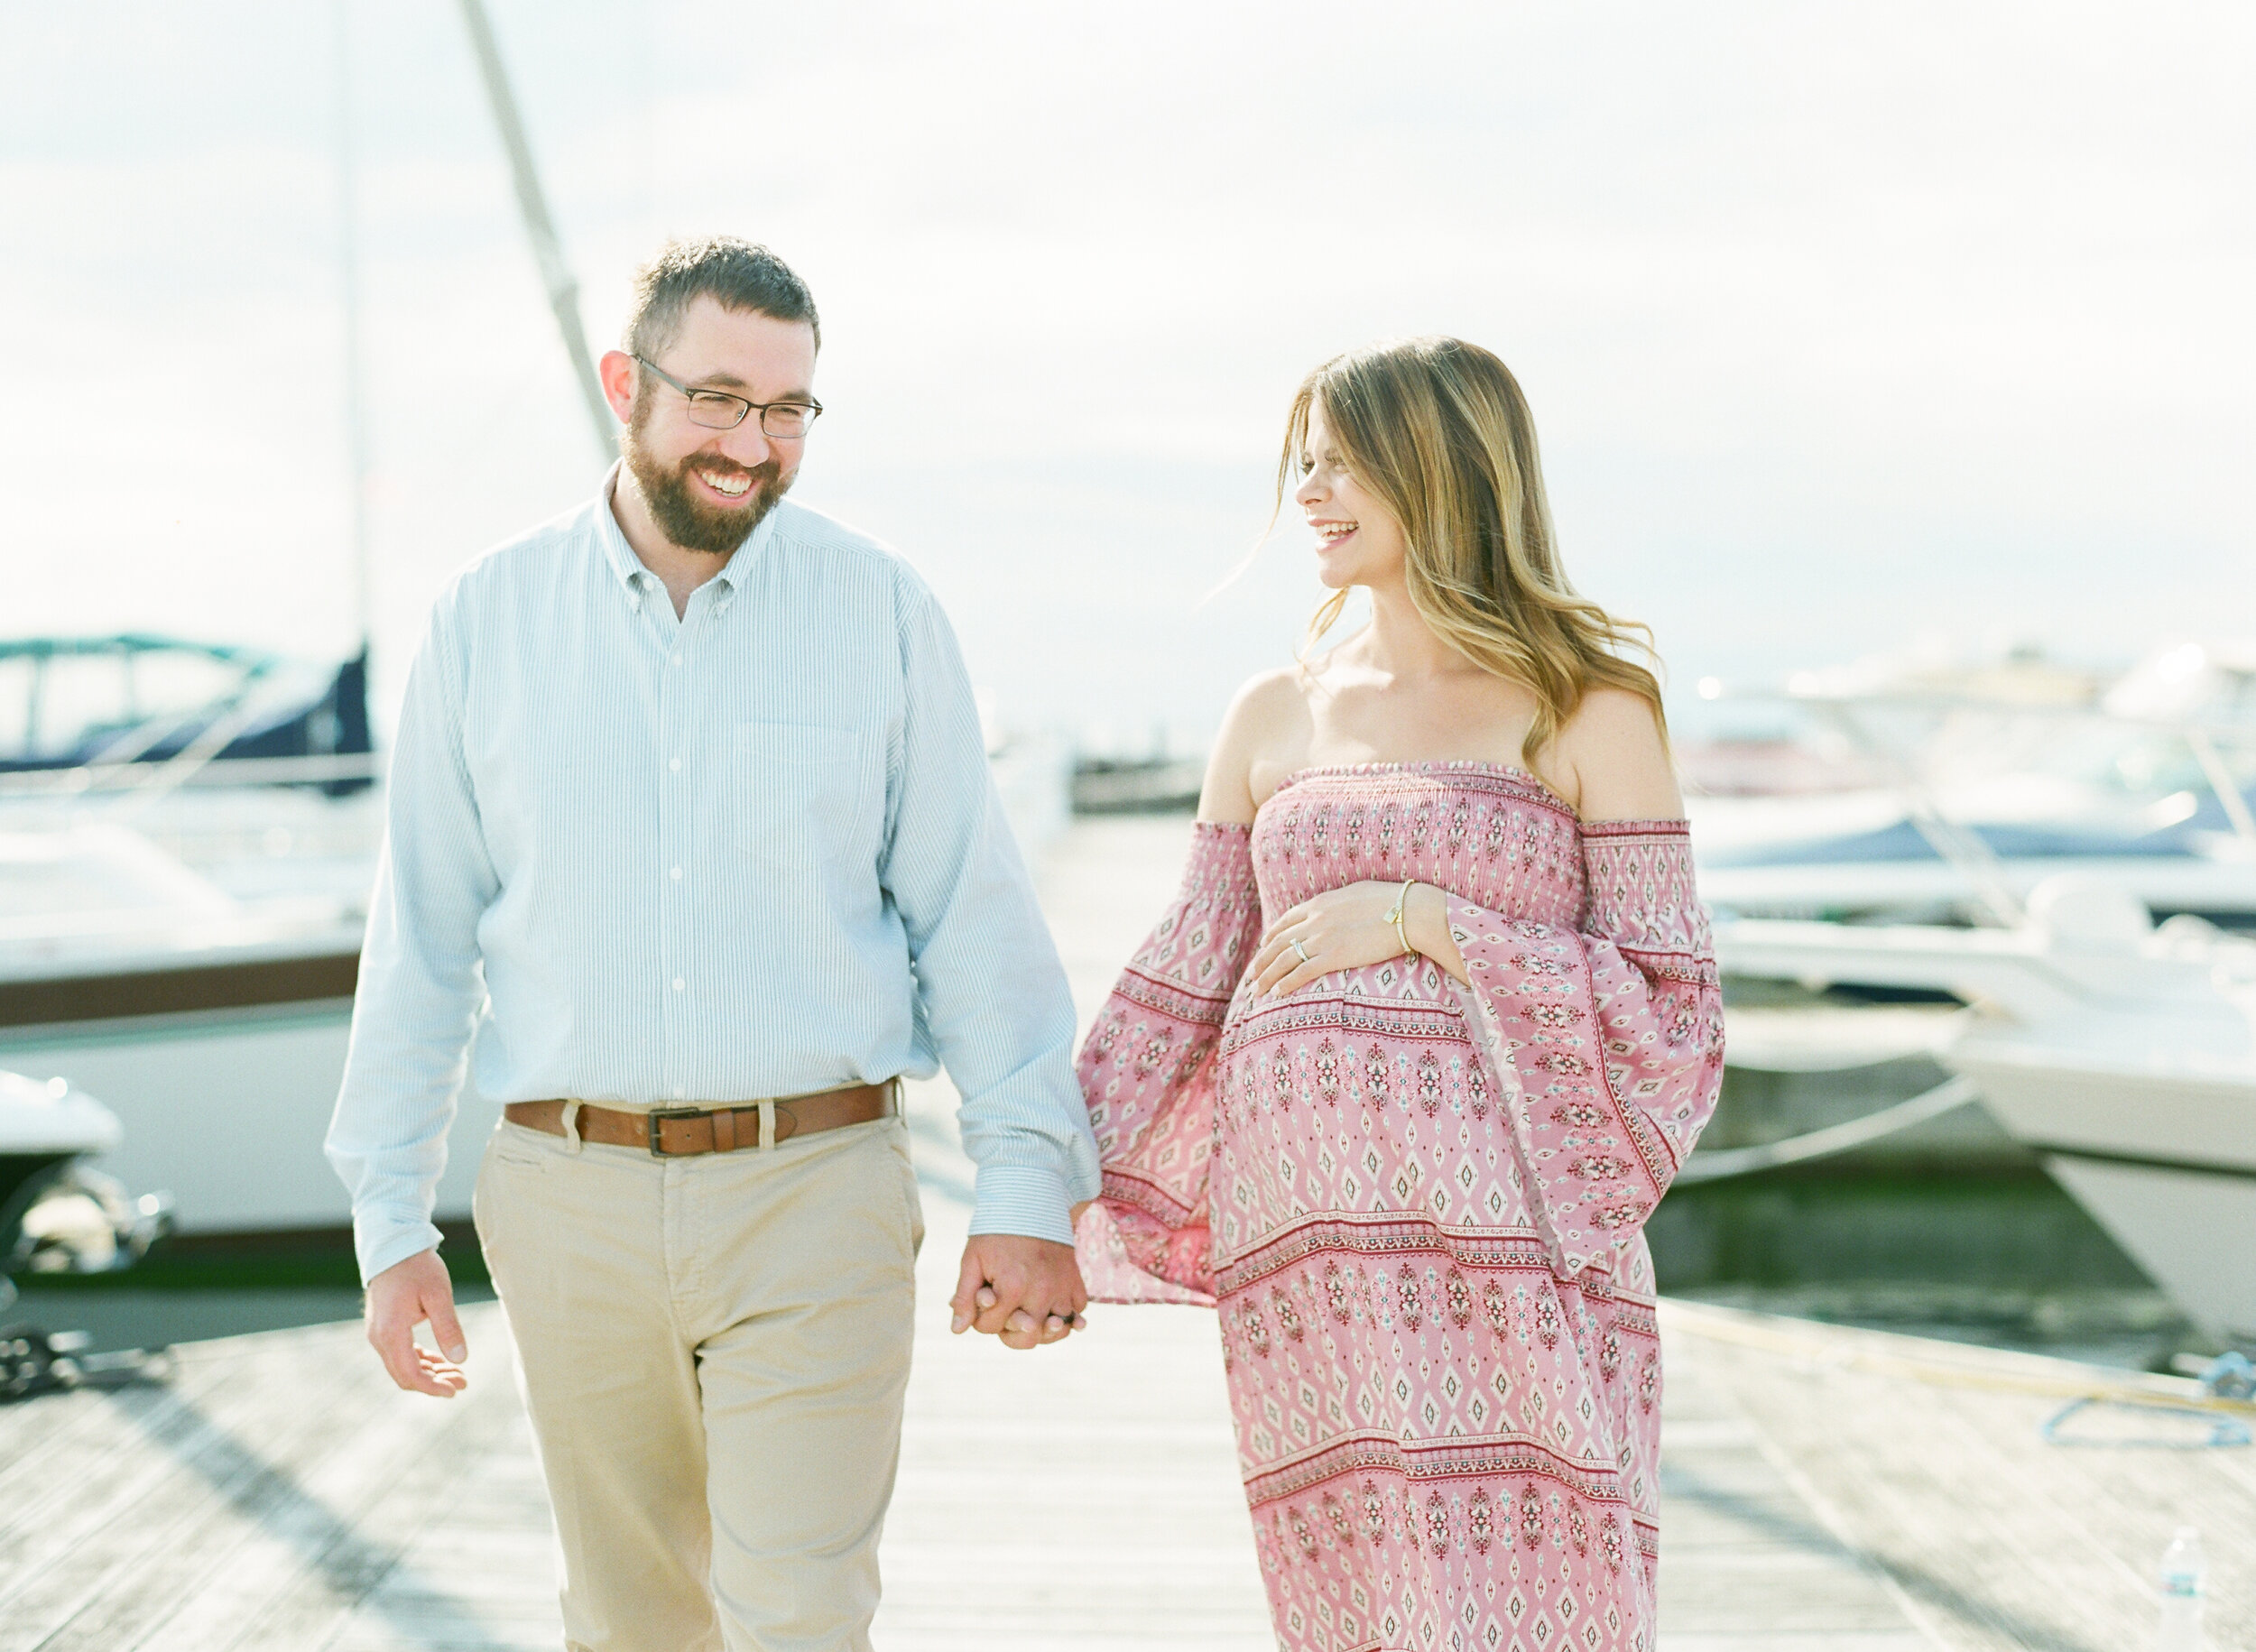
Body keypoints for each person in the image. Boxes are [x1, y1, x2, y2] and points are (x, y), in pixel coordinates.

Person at [325, 235, 1097, 1652]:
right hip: (567, 1201)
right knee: (631, 1626)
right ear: (627, 383)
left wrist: (1028, 1187)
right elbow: (423, 939)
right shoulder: (488, 619)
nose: (757, 443)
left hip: (817, 1192)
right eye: (722, 399)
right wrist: (389, 1223)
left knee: (800, 1616)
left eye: (792, 409)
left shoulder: (882, 613)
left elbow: (972, 917)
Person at [1074, 337, 1725, 1652]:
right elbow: (1183, 973)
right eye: (1300, 463)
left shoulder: (1583, 705)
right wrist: (1038, 1182)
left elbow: (1677, 1007)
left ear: (1444, 469)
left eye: (1341, 462)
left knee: (1552, 1597)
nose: (1307, 493)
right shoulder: (1273, 712)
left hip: (1521, 1243)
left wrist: (1430, 924)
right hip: (1312, 1259)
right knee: (1361, 1605)